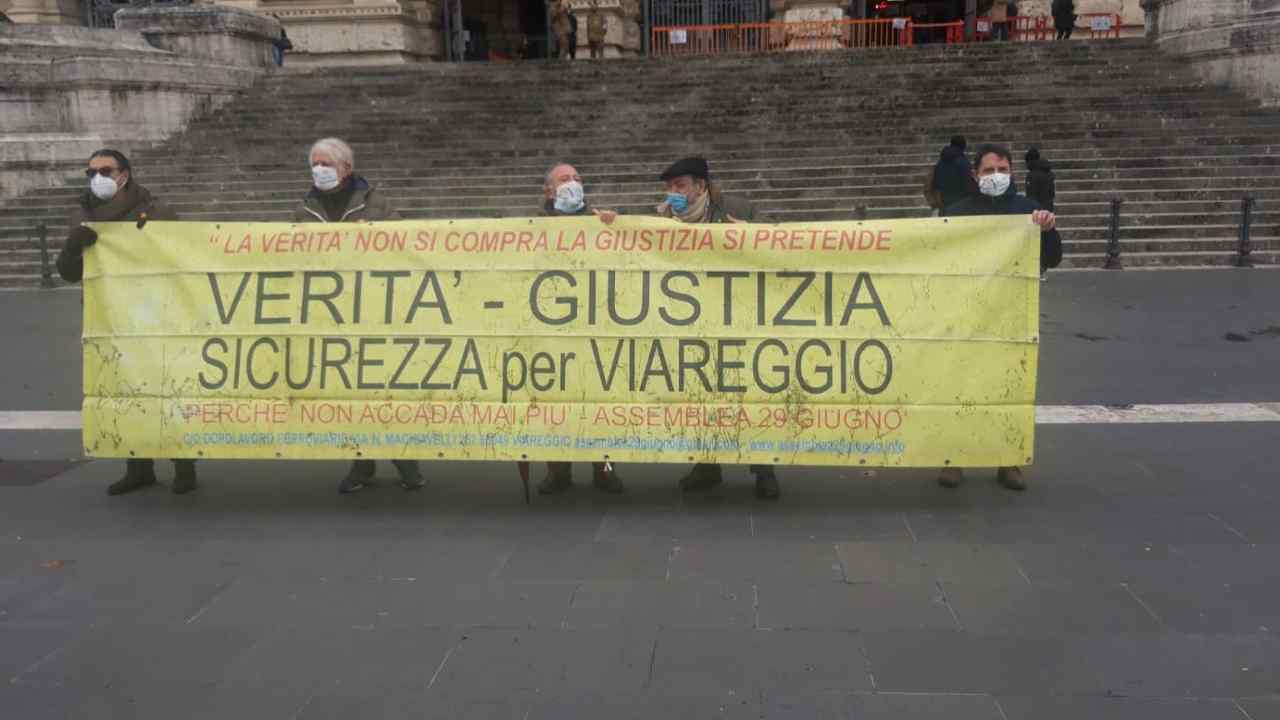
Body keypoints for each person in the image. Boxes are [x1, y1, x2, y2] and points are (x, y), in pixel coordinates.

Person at [56, 149, 197, 496]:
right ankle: (138, 466)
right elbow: (69, 272)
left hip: (158, 314)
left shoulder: (158, 210)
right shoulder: (83, 214)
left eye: (105, 170)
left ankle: (184, 465)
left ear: (125, 174)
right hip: (111, 319)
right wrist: (73, 249)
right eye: (91, 173)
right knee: (125, 392)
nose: (98, 178)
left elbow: (187, 257)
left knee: (168, 389)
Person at [293, 137, 424, 494]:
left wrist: (378, 238)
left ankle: (404, 458)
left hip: (375, 312)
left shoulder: (375, 204)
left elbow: (406, 243)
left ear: (346, 168)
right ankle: (361, 463)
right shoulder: (305, 208)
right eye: (314, 164)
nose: (318, 170)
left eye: (325, 164)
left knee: (383, 390)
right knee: (347, 392)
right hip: (331, 313)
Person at [657, 156, 780, 501]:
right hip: (695, 319)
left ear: (701, 186)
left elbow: (783, 238)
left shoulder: (736, 207)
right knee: (701, 395)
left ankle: (764, 469)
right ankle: (707, 466)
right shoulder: (665, 218)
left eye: (680, 185)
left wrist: (752, 234)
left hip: (740, 315)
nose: (673, 192)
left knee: (751, 394)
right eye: (669, 187)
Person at [938, 144, 1059, 492]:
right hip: (966, 315)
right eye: (989, 170)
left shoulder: (1029, 211)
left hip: (1011, 317)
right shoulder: (957, 213)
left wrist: (1047, 229)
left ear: (1012, 172)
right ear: (975, 175)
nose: (996, 176)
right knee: (959, 389)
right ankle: (953, 458)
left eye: (1002, 169)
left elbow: (1053, 257)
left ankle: (1010, 460)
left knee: (1010, 389)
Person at [536, 162, 624, 495]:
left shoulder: (599, 221)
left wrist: (615, 228)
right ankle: (558, 471)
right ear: (549, 190)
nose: (572, 183)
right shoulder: (531, 226)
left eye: (576, 178)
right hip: (551, 328)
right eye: (564, 179)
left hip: (594, 325)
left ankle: (605, 469)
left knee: (599, 402)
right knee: (553, 403)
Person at [929, 136, 976, 211]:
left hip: (944, 200)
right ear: (963, 145)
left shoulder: (940, 162)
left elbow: (934, 181)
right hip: (961, 201)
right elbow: (968, 182)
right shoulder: (963, 162)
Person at [1024, 147, 1055, 212]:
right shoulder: (1048, 172)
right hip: (1048, 207)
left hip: (1036, 210)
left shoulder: (1032, 175)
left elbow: (1031, 195)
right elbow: (1051, 193)